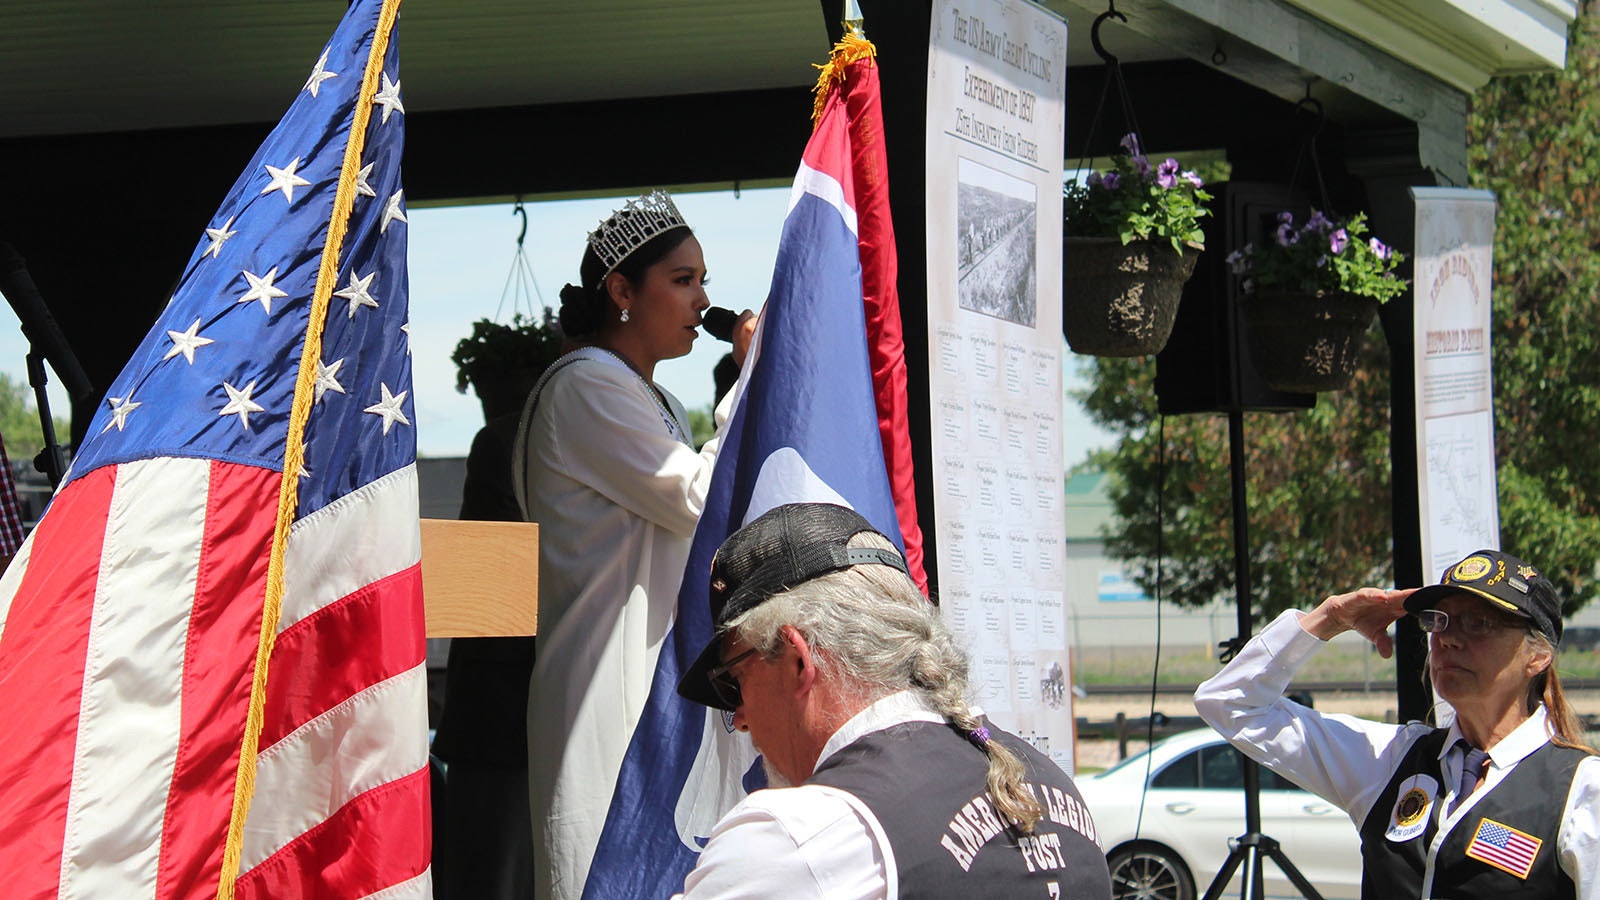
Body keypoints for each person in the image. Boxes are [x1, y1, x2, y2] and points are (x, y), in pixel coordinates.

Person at [672, 502, 1112, 899]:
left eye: (735, 683)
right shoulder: (1054, 784)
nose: (741, 719)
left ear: (796, 661)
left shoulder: (797, 836)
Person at [514, 189, 754, 900]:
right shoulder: (585, 385)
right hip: (606, 689)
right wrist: (750, 378)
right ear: (622, 291)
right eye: (682, 281)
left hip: (657, 683)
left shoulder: (653, 400)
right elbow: (704, 500)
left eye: (703, 281)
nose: (701, 300)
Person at [1195, 549, 1600, 899]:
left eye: (1478, 623)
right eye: (1439, 621)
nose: (1448, 639)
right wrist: (1328, 619)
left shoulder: (1581, 788)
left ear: (1538, 656)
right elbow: (1229, 703)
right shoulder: (1392, 758)